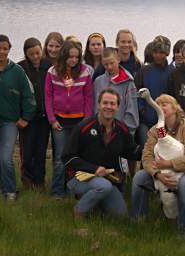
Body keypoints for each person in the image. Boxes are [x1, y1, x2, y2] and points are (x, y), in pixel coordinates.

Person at [131, 94, 185, 232]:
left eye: (164, 104)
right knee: (139, 178)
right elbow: (146, 156)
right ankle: (138, 223)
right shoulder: (155, 131)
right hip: (161, 172)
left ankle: (184, 229)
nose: (160, 107)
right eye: (158, 105)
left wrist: (169, 164)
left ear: (175, 108)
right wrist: (157, 174)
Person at [62, 88, 142, 217]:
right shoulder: (83, 127)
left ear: (118, 107)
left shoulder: (122, 129)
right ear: (99, 104)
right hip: (80, 179)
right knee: (103, 186)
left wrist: (151, 150)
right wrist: (94, 169)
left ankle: (96, 204)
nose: (108, 107)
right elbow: (67, 157)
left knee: (120, 215)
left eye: (112, 104)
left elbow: (131, 151)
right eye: (105, 103)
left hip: (107, 180)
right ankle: (79, 211)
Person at [0, 34, 36, 201]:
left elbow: (28, 95)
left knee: (5, 158)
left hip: (10, 122)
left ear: (9, 49)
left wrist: (25, 117)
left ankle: (11, 192)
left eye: (5, 48)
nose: (2, 52)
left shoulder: (18, 71)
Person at [45, 40, 94, 198]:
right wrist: (52, 119)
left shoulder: (85, 72)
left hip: (79, 122)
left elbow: (88, 98)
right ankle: (57, 192)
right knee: (60, 157)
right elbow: (48, 97)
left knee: (77, 157)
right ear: (64, 56)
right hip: (59, 121)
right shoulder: (52, 72)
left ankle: (75, 189)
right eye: (70, 57)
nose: (73, 60)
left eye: (76, 57)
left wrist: (86, 121)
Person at [17, 37, 51, 192]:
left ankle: (40, 180)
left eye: (38, 53)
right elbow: (15, 95)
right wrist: (19, 117)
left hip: (44, 118)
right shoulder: (20, 68)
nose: (36, 57)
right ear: (26, 54)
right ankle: (27, 178)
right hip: (27, 118)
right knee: (27, 150)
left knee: (41, 150)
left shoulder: (49, 66)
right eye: (32, 54)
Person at [135, 36, 173, 146]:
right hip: (145, 122)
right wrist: (141, 109)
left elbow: (174, 97)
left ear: (167, 53)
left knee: (162, 149)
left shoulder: (172, 73)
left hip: (164, 123)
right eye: (155, 52)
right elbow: (136, 92)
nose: (157, 55)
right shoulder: (144, 71)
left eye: (161, 52)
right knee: (147, 148)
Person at [93, 47, 139, 134]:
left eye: (112, 63)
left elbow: (132, 109)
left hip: (121, 132)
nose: (109, 67)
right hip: (100, 130)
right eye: (106, 64)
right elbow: (95, 106)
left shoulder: (128, 82)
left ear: (118, 59)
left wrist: (126, 131)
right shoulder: (98, 81)